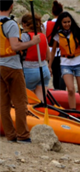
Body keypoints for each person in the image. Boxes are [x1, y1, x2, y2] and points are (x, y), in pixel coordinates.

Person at [0, 0, 41, 143]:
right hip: (12, 67)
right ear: (11, 6)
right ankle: (23, 135)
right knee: (20, 102)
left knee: (3, 103)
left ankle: (10, 135)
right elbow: (15, 46)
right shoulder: (10, 24)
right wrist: (33, 42)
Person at [48, 11, 80, 112]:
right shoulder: (58, 35)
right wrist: (49, 65)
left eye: (69, 22)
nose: (67, 24)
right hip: (65, 64)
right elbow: (53, 51)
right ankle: (73, 110)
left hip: (79, 62)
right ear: (61, 23)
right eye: (65, 22)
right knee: (71, 89)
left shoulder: (78, 32)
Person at [20, 13, 50, 103]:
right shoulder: (42, 36)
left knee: (28, 100)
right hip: (44, 70)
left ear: (24, 25)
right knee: (40, 101)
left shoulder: (25, 36)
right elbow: (48, 56)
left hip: (29, 70)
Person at [44, 0, 65, 90]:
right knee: (62, 74)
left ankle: (57, 91)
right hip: (62, 52)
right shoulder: (65, 23)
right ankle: (62, 92)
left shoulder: (46, 24)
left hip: (50, 52)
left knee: (55, 75)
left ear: (52, 12)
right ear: (62, 12)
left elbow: (44, 38)